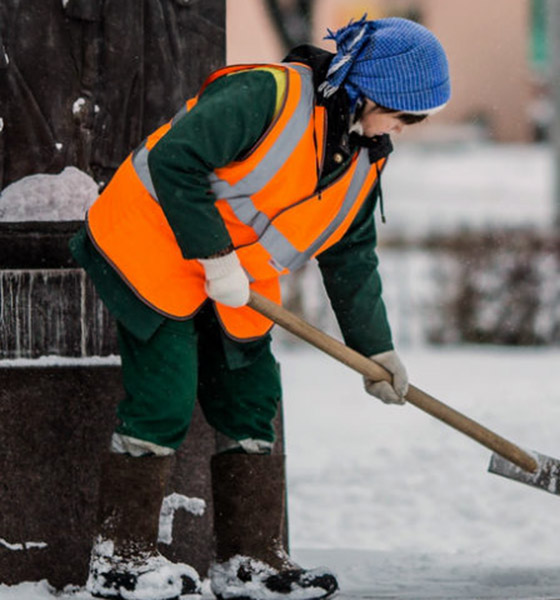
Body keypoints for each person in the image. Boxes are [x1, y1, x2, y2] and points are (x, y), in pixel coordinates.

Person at [69, 16, 449, 600]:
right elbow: (176, 161)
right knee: (164, 395)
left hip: (237, 280)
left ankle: (249, 562)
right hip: (152, 243)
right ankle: (120, 562)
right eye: (405, 112)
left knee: (252, 400)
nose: (406, 127)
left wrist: (376, 348)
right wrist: (213, 256)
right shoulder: (267, 95)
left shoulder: (365, 154)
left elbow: (350, 255)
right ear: (366, 89)